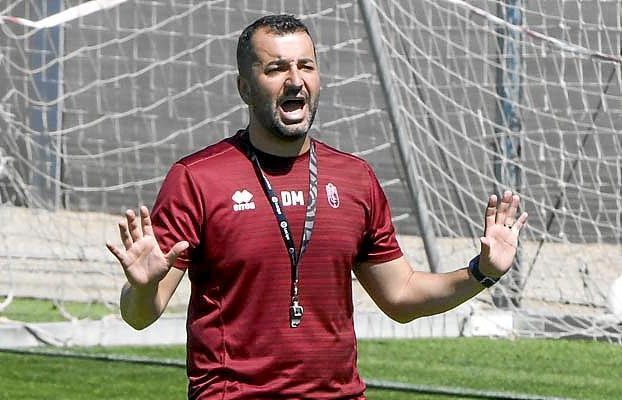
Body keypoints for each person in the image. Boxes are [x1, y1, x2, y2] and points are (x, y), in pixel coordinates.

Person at [105, 14, 528, 400]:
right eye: (276, 68)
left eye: (305, 66)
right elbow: (140, 316)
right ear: (244, 87)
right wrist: (142, 286)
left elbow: (401, 296)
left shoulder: (355, 178)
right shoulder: (198, 178)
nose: (295, 80)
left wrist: (482, 272)